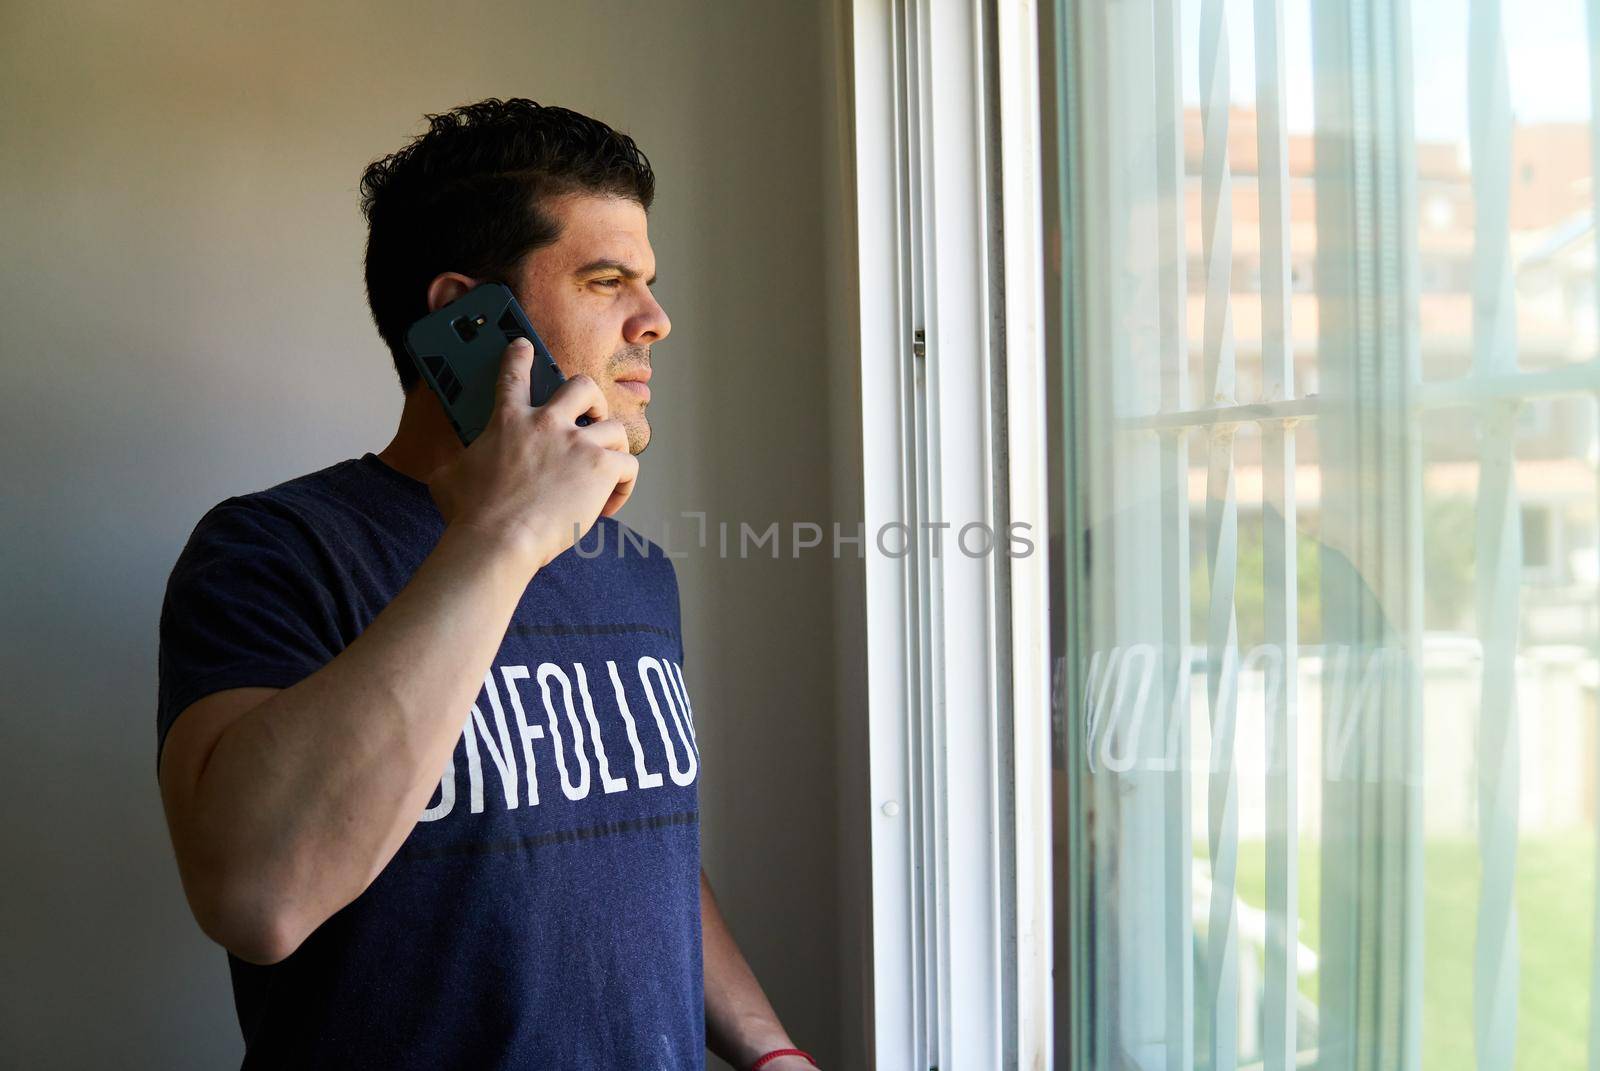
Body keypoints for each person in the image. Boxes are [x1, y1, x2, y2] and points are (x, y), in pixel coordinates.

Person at [154, 98, 819, 1071]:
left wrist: (769, 1052)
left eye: (650, 283)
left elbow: (632, 847)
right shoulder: (274, 549)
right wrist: (501, 538)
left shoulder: (630, 570)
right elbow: (258, 900)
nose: (657, 320)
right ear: (469, 317)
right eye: (607, 281)